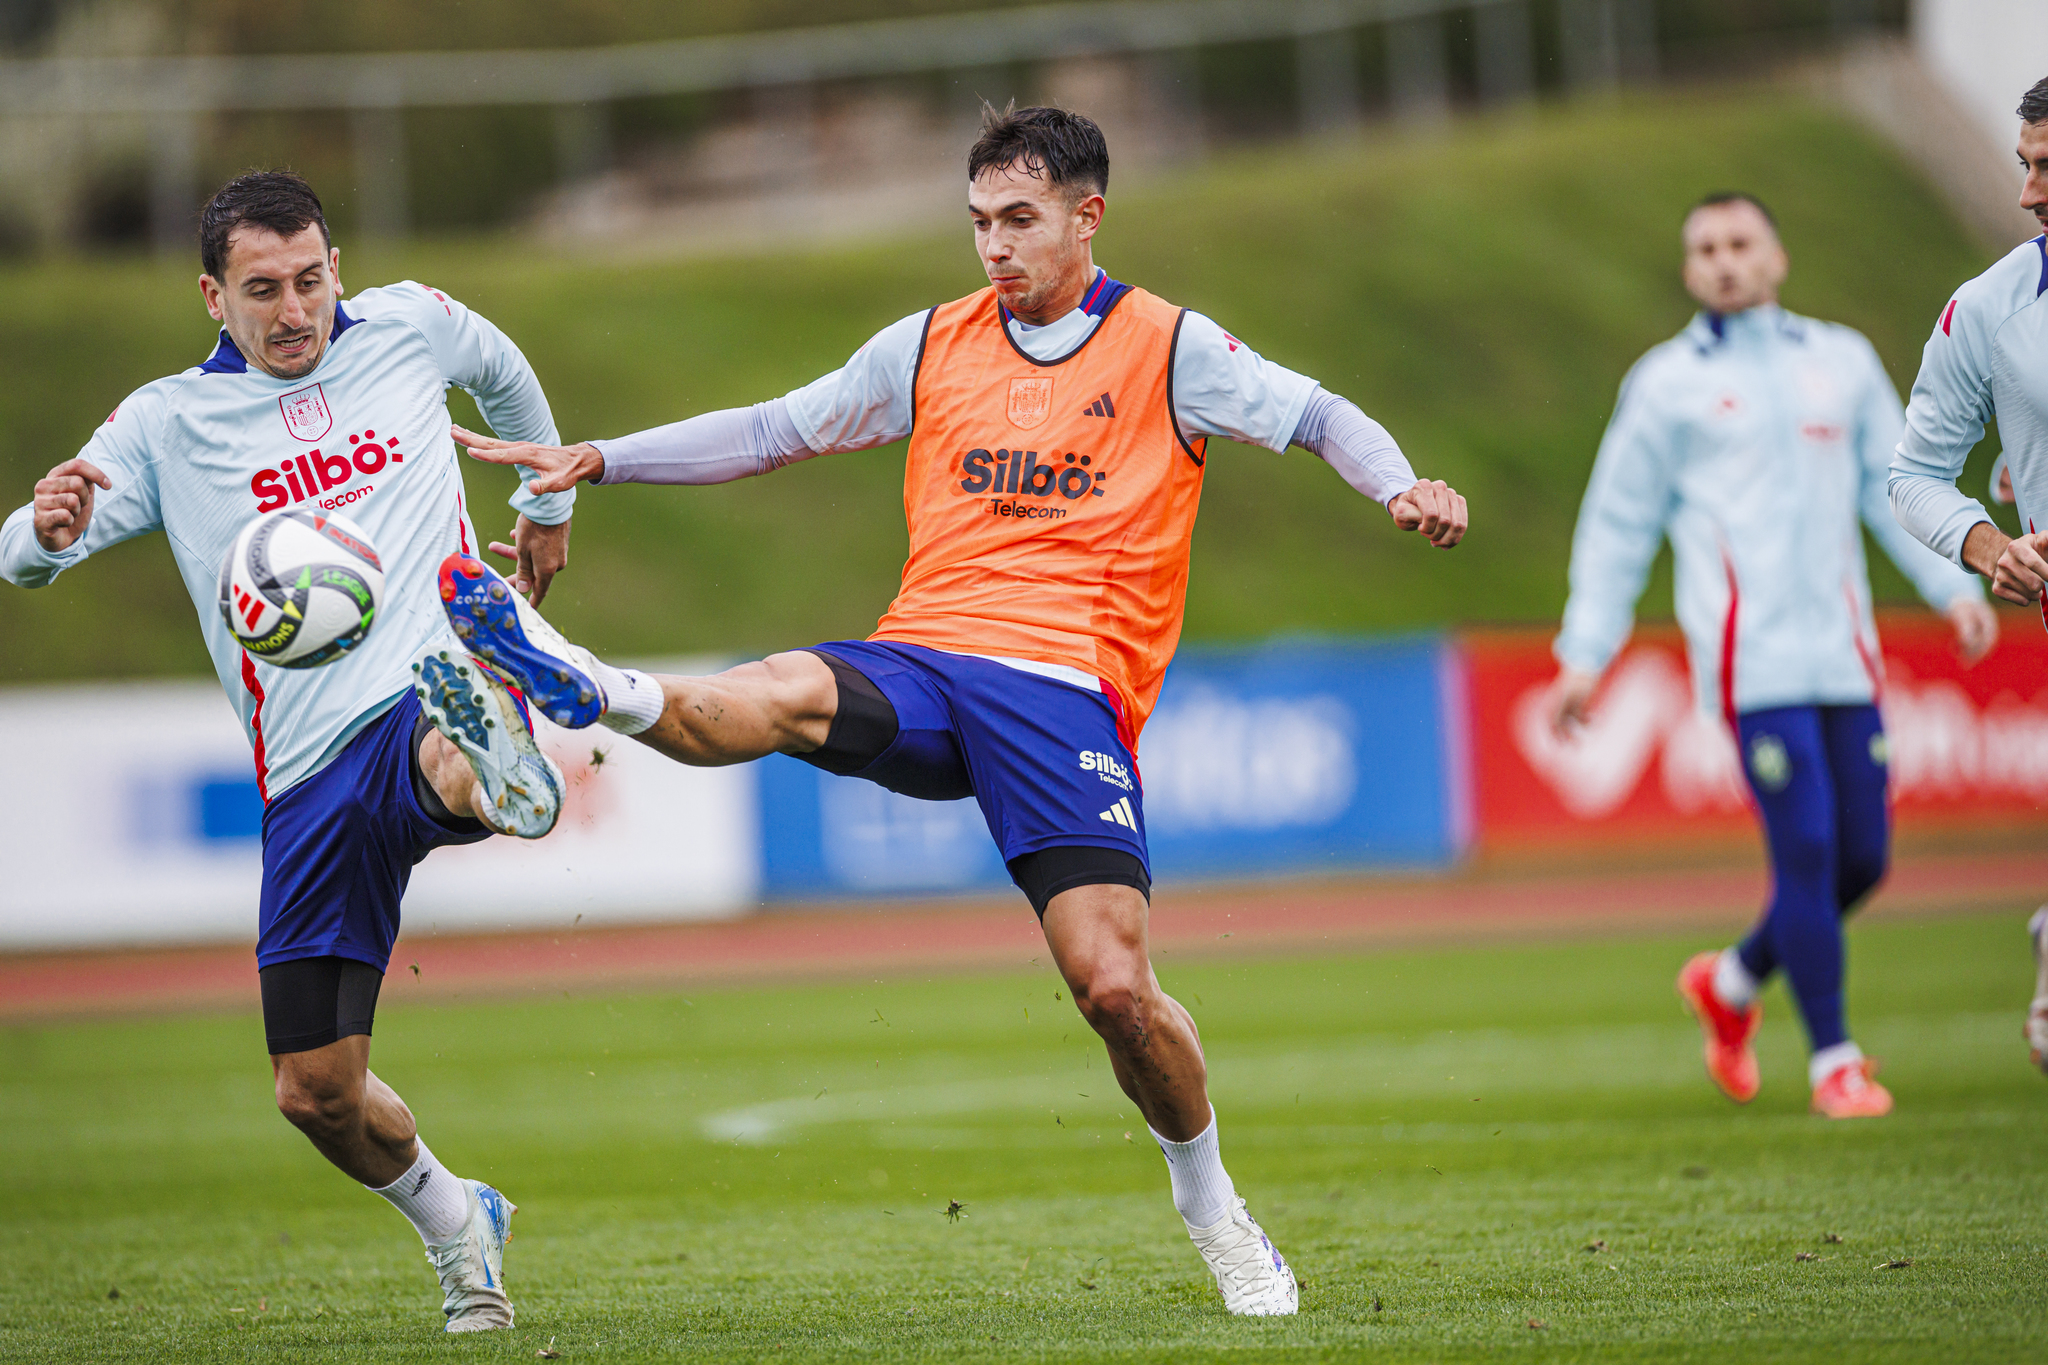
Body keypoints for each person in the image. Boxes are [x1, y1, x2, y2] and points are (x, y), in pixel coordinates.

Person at [430, 104, 1467, 1317]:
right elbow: (774, 429)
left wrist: (1399, 486)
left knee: (1114, 992)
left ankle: (1213, 1209)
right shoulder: (928, 344)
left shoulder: (1167, 347)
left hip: (1062, 692)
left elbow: (1319, 415)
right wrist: (602, 457)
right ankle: (583, 681)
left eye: (1017, 220)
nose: (991, 247)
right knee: (775, 695)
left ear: (1086, 217)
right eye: (977, 221)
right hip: (925, 656)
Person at [0, 171, 575, 1331]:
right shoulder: (167, 423)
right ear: (213, 295)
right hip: (309, 768)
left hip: (426, 677)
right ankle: (459, 1220)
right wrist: (41, 530)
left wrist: (547, 510)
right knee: (315, 1094)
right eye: (263, 290)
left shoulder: (408, 324)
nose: (294, 310)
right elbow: (29, 549)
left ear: (336, 268)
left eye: (311, 280)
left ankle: (491, 751)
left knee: (446, 745)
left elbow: (503, 371)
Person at [1549, 191, 1997, 1120]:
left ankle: (1736, 978)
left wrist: (1954, 584)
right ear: (1688, 270)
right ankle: (1836, 1059)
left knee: (1862, 859)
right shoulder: (1664, 384)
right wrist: (1586, 652)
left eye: (1739, 242)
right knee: (1805, 848)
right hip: (1746, 664)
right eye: (1705, 247)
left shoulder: (1841, 361)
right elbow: (1617, 525)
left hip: (1844, 655)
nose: (1723, 260)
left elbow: (1898, 490)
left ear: (1777, 256)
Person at [1889, 74, 2048, 1081]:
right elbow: (1912, 474)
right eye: (2024, 167)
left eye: (2047, 169)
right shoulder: (1985, 311)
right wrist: (1987, 545)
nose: (2028, 194)